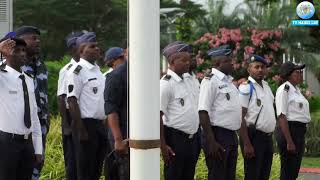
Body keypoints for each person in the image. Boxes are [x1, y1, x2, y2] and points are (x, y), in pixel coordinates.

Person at [66, 32, 107, 180]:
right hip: (85, 125)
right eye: (92, 46)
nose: (97, 48)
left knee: (96, 169)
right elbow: (71, 101)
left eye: (97, 45)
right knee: (85, 170)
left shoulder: (98, 71)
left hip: (99, 126)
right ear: (81, 51)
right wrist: (81, 130)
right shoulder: (77, 71)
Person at [0, 36, 42, 180]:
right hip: (6, 143)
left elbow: (34, 115)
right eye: (16, 50)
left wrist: (38, 148)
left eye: (23, 50)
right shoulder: (2, 76)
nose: (22, 53)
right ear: (6, 53)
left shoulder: (29, 79)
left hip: (27, 143)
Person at [198, 45, 241, 180]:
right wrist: (212, 142)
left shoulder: (229, 82)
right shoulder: (210, 82)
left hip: (231, 136)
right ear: (217, 63)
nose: (232, 63)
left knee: (229, 176)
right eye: (228, 61)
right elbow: (203, 112)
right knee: (218, 175)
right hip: (217, 135)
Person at [160, 41, 200, 180]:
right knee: (174, 176)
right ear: (172, 61)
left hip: (192, 139)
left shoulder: (188, 80)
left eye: (189, 59)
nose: (188, 63)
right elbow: (157, 116)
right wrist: (163, 145)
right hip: (175, 139)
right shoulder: (166, 84)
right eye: (184, 60)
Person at [15, 25, 49, 180]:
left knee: (37, 165)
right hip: (19, 129)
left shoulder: (41, 65)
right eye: (33, 38)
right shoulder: (13, 66)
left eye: (38, 38)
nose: (38, 41)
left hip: (40, 126)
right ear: (22, 41)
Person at [239, 54, 276, 180]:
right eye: (257, 67)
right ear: (249, 69)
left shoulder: (266, 86)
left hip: (267, 138)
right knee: (252, 175)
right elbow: (240, 117)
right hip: (253, 137)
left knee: (264, 175)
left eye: (263, 67)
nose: (260, 70)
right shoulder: (246, 87)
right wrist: (247, 144)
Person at [275, 62, 311, 180]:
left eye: (301, 72)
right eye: (297, 72)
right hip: (290, 131)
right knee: (288, 171)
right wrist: (289, 141)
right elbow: (281, 116)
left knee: (293, 172)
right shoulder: (284, 90)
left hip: (298, 132)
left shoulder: (296, 90)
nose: (300, 74)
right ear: (288, 74)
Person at [57, 31, 84, 180]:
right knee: (72, 159)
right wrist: (66, 125)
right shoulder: (67, 70)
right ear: (74, 48)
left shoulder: (89, 68)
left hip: (84, 117)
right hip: (71, 117)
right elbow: (61, 98)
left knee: (84, 159)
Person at [104, 46, 129, 180]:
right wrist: (118, 139)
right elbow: (111, 109)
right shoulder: (115, 76)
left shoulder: (138, 73)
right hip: (122, 133)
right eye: (121, 58)